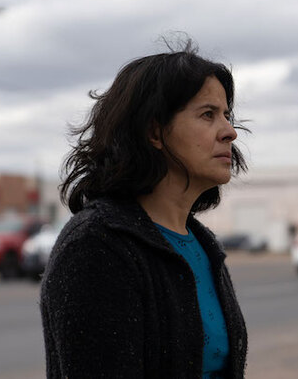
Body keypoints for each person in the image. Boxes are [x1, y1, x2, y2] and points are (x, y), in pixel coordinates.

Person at [40, 43, 248, 378]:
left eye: (226, 115)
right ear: (154, 132)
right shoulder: (98, 245)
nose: (230, 132)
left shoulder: (203, 244)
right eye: (208, 115)